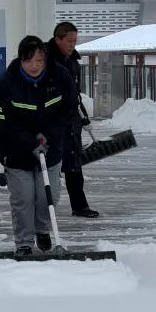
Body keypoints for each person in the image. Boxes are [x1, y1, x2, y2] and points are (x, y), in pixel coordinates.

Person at [0, 35, 77, 256]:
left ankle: (42, 229)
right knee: (23, 197)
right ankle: (24, 242)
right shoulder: (6, 82)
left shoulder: (60, 77)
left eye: (39, 60)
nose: (34, 66)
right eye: (29, 60)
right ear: (20, 59)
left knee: (48, 195)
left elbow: (68, 110)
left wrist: (48, 137)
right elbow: (3, 118)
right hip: (17, 150)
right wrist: (30, 141)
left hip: (50, 148)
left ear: (45, 59)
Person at [47, 21, 99, 218]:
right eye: (69, 40)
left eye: (75, 41)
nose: (72, 44)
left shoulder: (73, 63)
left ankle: (79, 206)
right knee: (49, 165)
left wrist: (81, 116)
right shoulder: (46, 62)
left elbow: (75, 95)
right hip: (52, 121)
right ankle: (44, 208)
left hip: (71, 120)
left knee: (74, 164)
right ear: (57, 39)